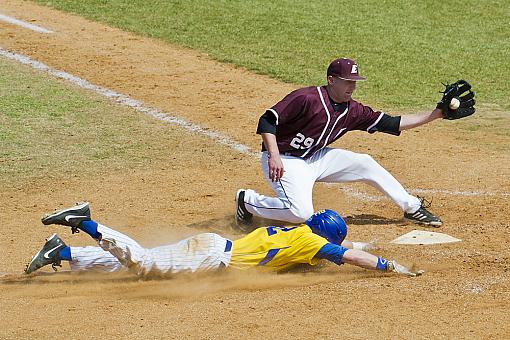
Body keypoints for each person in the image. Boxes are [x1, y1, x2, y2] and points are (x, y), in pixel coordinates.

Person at [235, 58, 475, 229]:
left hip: (315, 158)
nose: (352, 86)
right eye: (347, 81)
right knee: (301, 213)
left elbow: (392, 123)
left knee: (364, 163)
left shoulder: (354, 110)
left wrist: (437, 114)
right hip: (284, 159)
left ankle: (412, 207)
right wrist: (274, 156)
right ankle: (247, 201)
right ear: (331, 80)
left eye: (354, 81)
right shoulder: (306, 98)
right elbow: (268, 120)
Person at [25, 202, 423, 277]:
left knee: (129, 266)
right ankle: (88, 224)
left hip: (212, 247)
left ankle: (64, 251)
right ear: (326, 240)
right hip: (210, 259)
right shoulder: (310, 244)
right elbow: (351, 257)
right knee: (143, 264)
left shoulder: (297, 232)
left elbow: (344, 250)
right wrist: (391, 266)